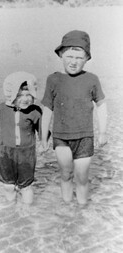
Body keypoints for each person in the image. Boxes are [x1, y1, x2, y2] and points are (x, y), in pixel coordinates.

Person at [41, 30, 107, 205]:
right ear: (61, 55)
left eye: (79, 57)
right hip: (61, 136)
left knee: (82, 177)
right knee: (65, 174)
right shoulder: (53, 80)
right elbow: (46, 110)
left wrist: (102, 132)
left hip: (85, 136)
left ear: (87, 58)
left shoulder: (92, 79)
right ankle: (67, 210)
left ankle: (83, 209)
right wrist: (43, 137)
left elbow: (102, 105)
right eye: (69, 56)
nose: (73, 61)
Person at [0, 71, 42, 205]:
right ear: (10, 94)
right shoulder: (1, 108)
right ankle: (11, 210)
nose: (25, 99)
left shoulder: (35, 111)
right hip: (6, 152)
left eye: (28, 94)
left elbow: (42, 130)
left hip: (26, 154)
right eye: (20, 95)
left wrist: (45, 142)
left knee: (26, 186)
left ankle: (27, 212)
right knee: (8, 185)